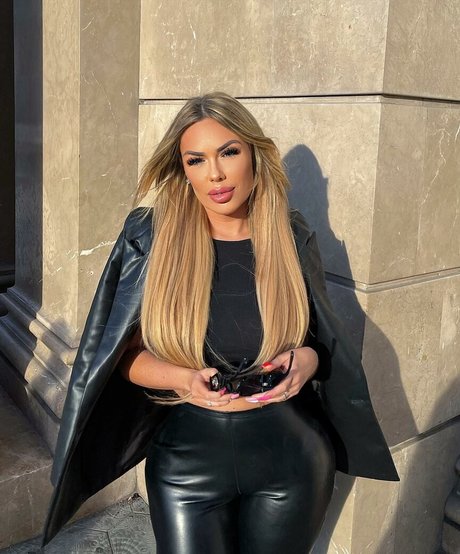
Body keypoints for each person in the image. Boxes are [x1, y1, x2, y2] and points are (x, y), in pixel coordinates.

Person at [42, 92, 399, 552]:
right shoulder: (152, 238)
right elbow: (119, 357)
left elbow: (317, 339)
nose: (215, 174)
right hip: (186, 462)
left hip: (291, 458)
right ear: (183, 168)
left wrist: (307, 361)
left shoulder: (290, 236)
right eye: (196, 159)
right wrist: (183, 380)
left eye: (228, 152)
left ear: (254, 154)